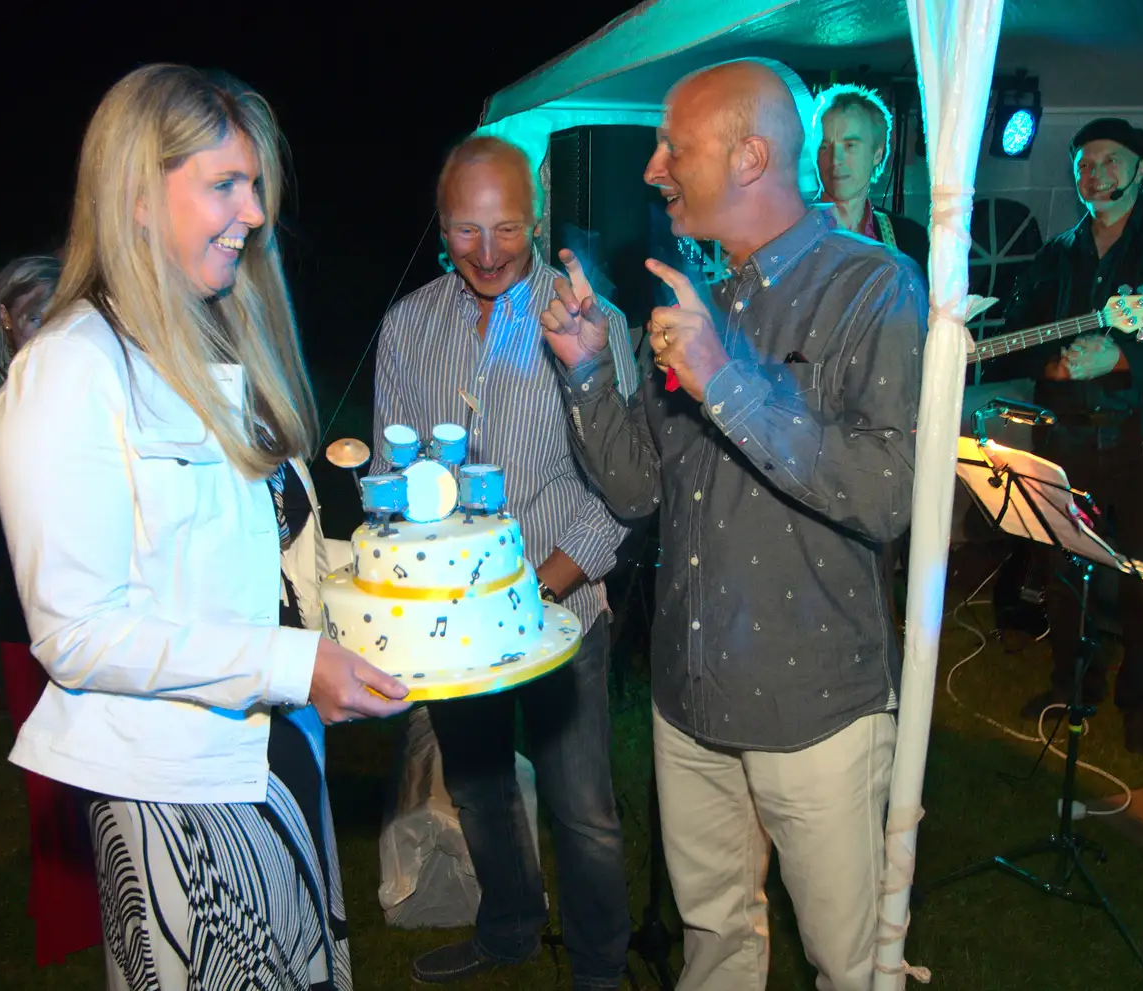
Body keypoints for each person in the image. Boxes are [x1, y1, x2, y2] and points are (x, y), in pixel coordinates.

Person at [0, 64, 411, 991]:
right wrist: (296, 666)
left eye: (254, 185)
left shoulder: (217, 346)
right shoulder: (70, 371)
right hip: (177, 794)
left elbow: (268, 553)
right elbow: (79, 631)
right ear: (137, 196)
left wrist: (396, 596)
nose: (254, 212)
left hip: (278, 754)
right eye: (224, 183)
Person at [543, 59, 926, 991]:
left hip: (814, 711)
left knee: (848, 964)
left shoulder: (874, 289)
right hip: (688, 698)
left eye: (676, 145)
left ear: (751, 155)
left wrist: (724, 379)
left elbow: (885, 493)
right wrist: (591, 370)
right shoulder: (701, 294)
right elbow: (638, 488)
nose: (652, 167)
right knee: (713, 938)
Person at [371, 134, 636, 989]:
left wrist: (547, 581)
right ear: (440, 226)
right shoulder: (409, 325)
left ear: (538, 216)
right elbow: (387, 472)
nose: (487, 254)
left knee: (584, 810)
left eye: (508, 230)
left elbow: (625, 484)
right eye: (465, 232)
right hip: (457, 624)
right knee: (480, 790)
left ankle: (599, 968)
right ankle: (511, 927)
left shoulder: (592, 320)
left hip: (563, 608)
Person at [987, 118, 1143, 754]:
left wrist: (1123, 359)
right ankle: (1072, 686)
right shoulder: (1055, 252)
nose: (1093, 171)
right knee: (1062, 568)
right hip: (1067, 436)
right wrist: (1046, 365)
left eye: (1108, 159)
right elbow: (1017, 335)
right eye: (1083, 161)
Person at [0, 255, 102, 967]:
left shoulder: (94, 389)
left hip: (99, 610)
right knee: (49, 776)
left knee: (107, 768)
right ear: (4, 318)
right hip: (29, 616)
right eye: (36, 314)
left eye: (63, 313)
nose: (49, 330)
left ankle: (124, 900)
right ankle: (69, 913)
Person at [812, 84, 929, 278]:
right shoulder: (788, 234)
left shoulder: (912, 240)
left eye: (850, 145)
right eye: (824, 146)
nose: (835, 159)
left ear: (877, 154)